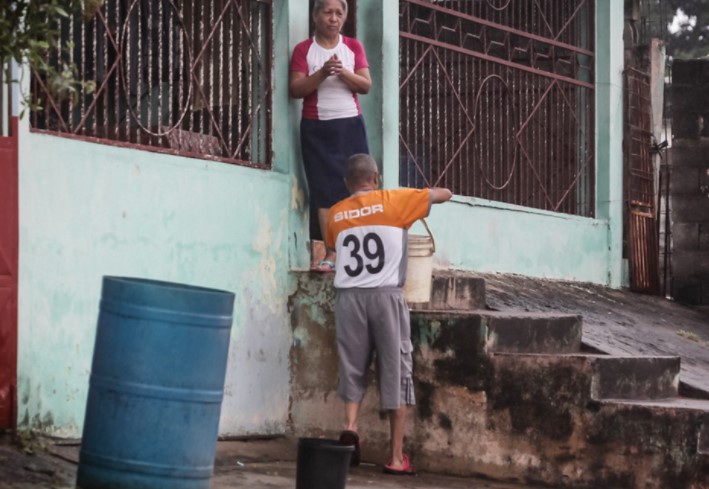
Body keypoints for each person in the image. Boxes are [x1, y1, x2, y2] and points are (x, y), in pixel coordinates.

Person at [324, 154, 453, 475]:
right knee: (396, 371)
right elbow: (445, 194)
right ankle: (396, 458)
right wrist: (425, 195)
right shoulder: (397, 201)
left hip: (348, 299)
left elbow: (333, 248)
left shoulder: (336, 214)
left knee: (352, 366)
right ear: (376, 178)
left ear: (346, 183)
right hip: (385, 298)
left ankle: (351, 427)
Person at [289, 0, 372, 273]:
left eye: (339, 13)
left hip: (350, 126)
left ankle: (357, 249)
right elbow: (296, 89)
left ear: (344, 18)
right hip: (317, 129)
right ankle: (331, 252)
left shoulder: (352, 48)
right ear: (315, 16)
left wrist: (343, 72)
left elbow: (365, 85)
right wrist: (323, 73)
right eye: (327, 12)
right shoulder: (304, 50)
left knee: (356, 188)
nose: (333, 18)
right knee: (324, 191)